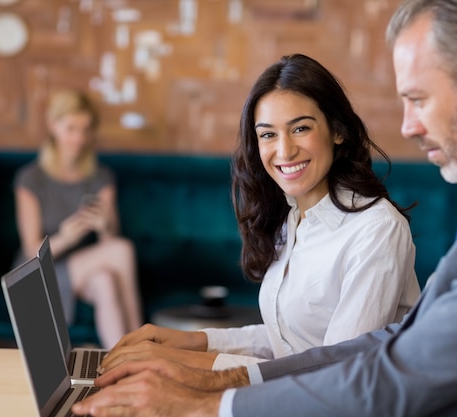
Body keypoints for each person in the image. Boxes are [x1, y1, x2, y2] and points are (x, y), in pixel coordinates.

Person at [71, 0, 457, 415]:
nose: (407, 126)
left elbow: (360, 376)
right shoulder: (294, 219)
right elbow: (358, 345)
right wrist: (191, 351)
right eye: (267, 135)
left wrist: (200, 394)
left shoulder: (390, 227)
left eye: (418, 99)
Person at [97, 53, 421, 373]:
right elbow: (290, 339)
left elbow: (336, 373)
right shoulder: (291, 219)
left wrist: (187, 365)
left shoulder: (377, 230)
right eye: (268, 134)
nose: (284, 151)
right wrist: (190, 341)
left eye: (300, 128)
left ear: (338, 131)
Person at [13, 88, 143, 349]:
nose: (79, 138)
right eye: (71, 128)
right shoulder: (30, 179)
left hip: (87, 269)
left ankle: (119, 361)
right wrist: (66, 237)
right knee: (123, 250)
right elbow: (31, 250)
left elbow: (109, 242)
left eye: (85, 129)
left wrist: (104, 226)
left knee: (106, 280)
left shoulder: (101, 178)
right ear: (53, 126)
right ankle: (141, 346)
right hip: (39, 270)